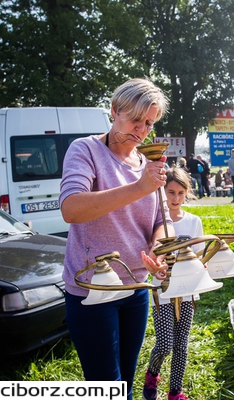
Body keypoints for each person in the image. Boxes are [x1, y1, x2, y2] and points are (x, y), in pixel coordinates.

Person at [60, 77, 175, 400]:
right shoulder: (86, 150)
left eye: (149, 123)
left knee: (125, 377)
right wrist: (139, 187)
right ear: (114, 110)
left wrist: (160, 246)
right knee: (105, 385)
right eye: (135, 120)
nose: (141, 130)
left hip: (135, 286)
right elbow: (71, 208)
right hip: (92, 289)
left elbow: (160, 220)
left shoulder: (148, 163)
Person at [143, 167, 203, 400]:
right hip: (163, 292)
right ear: (162, 192)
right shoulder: (156, 222)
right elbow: (151, 257)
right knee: (166, 343)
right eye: (170, 192)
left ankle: (175, 391)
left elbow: (198, 255)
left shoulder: (193, 221)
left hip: (187, 292)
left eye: (180, 193)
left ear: (187, 193)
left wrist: (201, 266)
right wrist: (156, 271)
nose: (175, 198)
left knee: (181, 344)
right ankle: (152, 373)